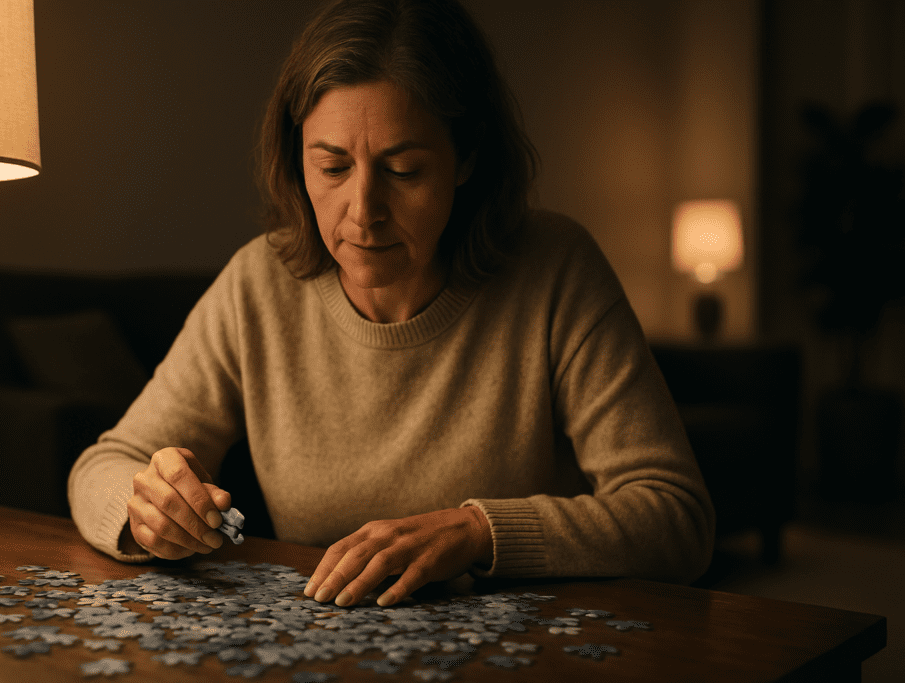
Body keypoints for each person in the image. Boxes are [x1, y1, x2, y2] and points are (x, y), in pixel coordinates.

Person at [68, 0, 715, 609]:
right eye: (331, 167)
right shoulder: (258, 284)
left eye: (404, 171)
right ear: (298, 159)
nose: (363, 212)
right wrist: (145, 508)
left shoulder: (555, 268)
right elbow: (101, 466)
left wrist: (475, 531)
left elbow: (675, 516)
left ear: (467, 157)